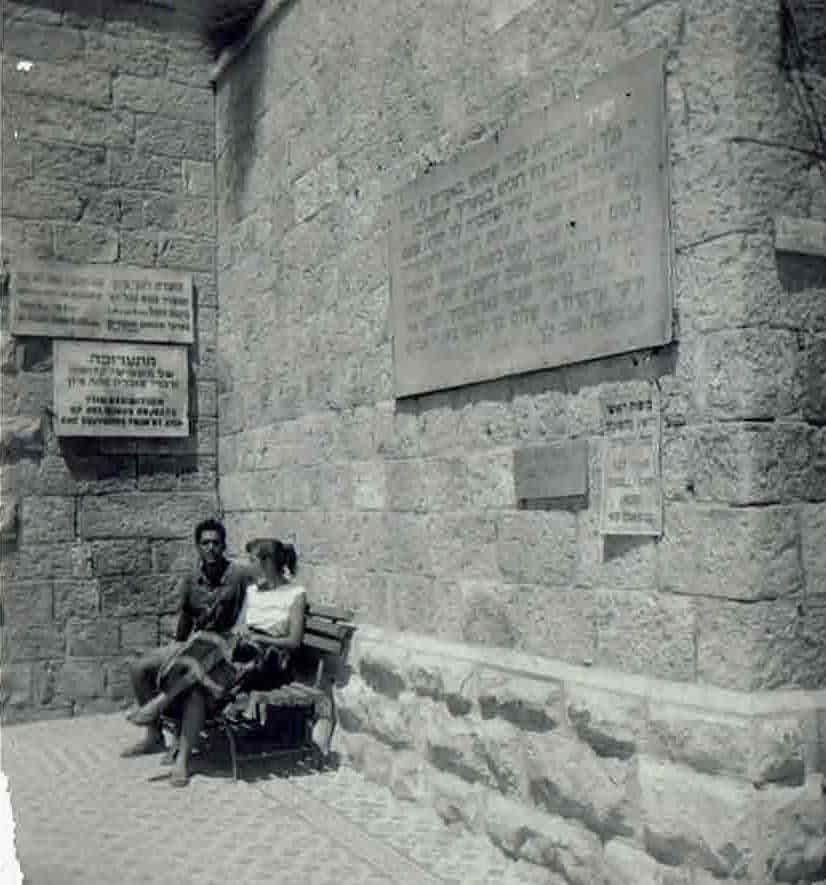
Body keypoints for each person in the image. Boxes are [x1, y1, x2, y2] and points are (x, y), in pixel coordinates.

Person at [121, 517, 254, 785]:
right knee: (140, 667)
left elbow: (257, 598)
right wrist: (176, 647)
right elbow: (185, 617)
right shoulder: (192, 579)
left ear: (224, 545)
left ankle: (178, 749)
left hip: (225, 650)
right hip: (196, 643)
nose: (211, 548)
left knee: (194, 685)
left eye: (216, 543)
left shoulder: (238, 576)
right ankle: (154, 735)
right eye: (205, 543)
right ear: (197, 547)